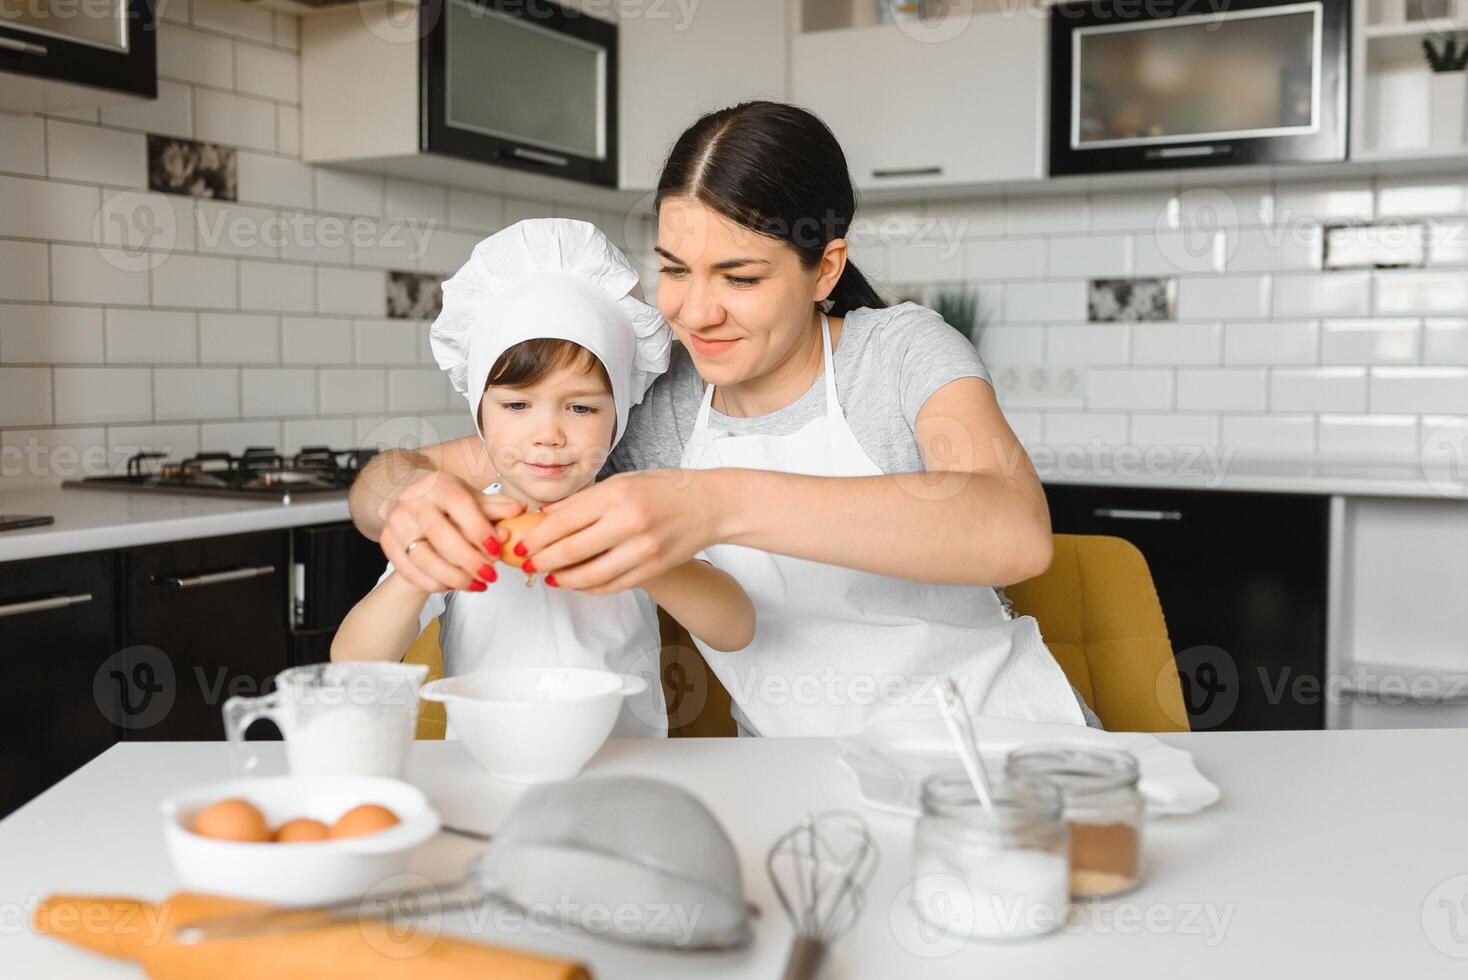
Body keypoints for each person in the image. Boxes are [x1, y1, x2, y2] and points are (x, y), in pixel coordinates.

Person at [348, 102, 1103, 736]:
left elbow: (1014, 530)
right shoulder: (655, 404)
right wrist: (405, 504)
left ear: (826, 269)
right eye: (674, 269)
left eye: (739, 277)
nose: (695, 311)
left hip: (1000, 747)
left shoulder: (897, 353)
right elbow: (412, 473)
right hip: (795, 781)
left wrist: (715, 505)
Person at [332, 219, 755, 737]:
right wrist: (421, 571)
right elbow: (354, 667)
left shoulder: (635, 515)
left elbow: (735, 628)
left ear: (619, 415)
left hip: (623, 776)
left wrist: (642, 558)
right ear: (479, 414)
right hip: (487, 776)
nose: (548, 434)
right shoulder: (463, 522)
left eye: (580, 407)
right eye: (516, 405)